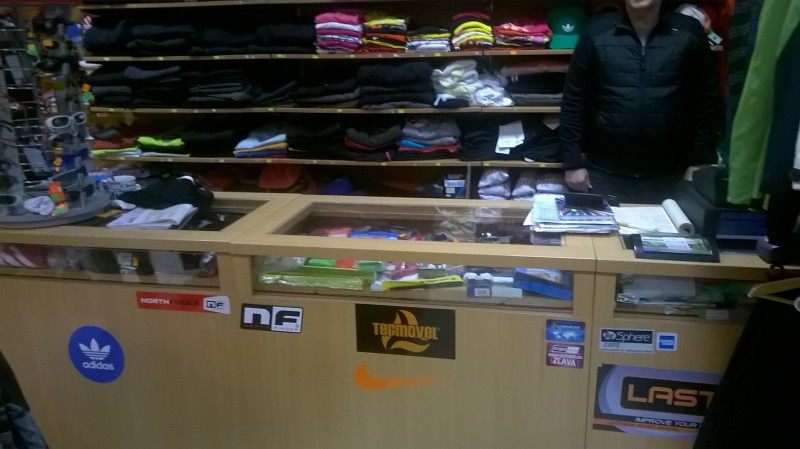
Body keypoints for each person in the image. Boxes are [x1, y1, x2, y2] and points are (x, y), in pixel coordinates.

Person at [559, 0, 722, 204]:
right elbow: (573, 99)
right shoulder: (597, 31)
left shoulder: (688, 31)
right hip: (604, 172)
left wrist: (701, 161)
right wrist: (573, 162)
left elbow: (707, 99)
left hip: (672, 174)